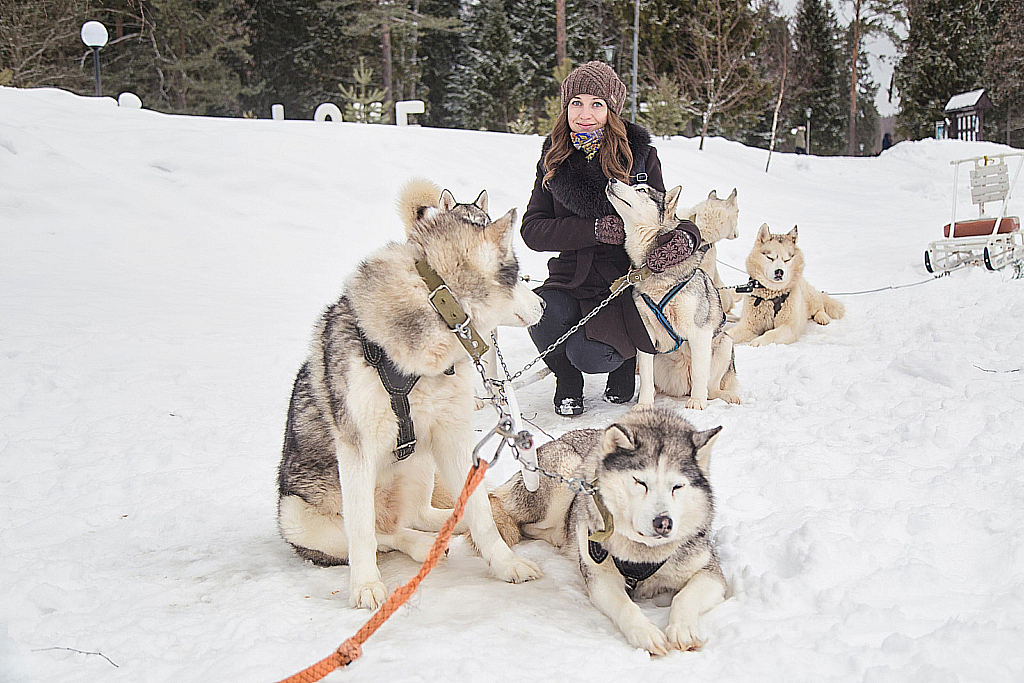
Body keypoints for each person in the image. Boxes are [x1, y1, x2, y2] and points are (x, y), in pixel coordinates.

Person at [520, 61, 701, 416]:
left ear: (612, 109)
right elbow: (532, 229)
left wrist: (688, 237)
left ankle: (622, 364)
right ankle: (567, 381)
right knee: (538, 314)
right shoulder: (553, 159)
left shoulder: (640, 156)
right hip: (570, 278)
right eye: (576, 103)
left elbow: (664, 211)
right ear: (565, 107)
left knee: (588, 352)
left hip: (623, 284)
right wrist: (591, 230)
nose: (585, 114)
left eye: (596, 104)